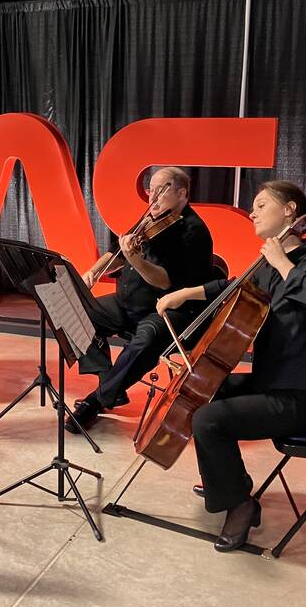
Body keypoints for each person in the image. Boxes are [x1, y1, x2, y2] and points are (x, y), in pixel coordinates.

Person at [155, 180, 306, 552]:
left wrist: (282, 261)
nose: (252, 212)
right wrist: (185, 293)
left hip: (304, 395)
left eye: (260, 204)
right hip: (272, 380)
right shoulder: (267, 266)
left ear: (289, 211)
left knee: (210, 419)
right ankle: (225, 480)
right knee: (206, 390)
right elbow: (234, 285)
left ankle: (241, 505)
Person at [67, 166, 214, 433]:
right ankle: (110, 383)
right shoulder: (151, 217)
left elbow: (165, 281)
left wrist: (135, 258)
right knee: (75, 313)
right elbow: (117, 252)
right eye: (151, 189)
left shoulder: (193, 231)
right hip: (128, 302)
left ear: (182, 192)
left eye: (162, 189)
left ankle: (97, 401)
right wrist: (94, 271)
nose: (153, 197)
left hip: (168, 309)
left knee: (145, 342)